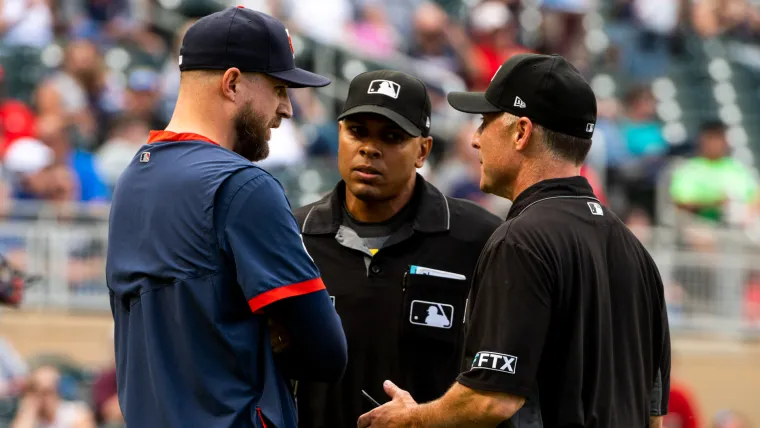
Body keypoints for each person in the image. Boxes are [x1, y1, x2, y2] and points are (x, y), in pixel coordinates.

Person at [358, 53, 671, 428]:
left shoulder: (522, 240)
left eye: (485, 122)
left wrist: (412, 419)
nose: (474, 140)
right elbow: (654, 416)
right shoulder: (636, 252)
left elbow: (492, 399)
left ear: (521, 132)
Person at [106, 7, 347, 428]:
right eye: (278, 89)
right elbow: (326, 353)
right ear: (233, 83)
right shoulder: (243, 186)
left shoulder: (131, 180)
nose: (287, 109)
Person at [293, 70, 501, 427]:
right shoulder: (293, 235)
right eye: (356, 131)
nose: (370, 148)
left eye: (392, 137)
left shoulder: (479, 238)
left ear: (423, 150)